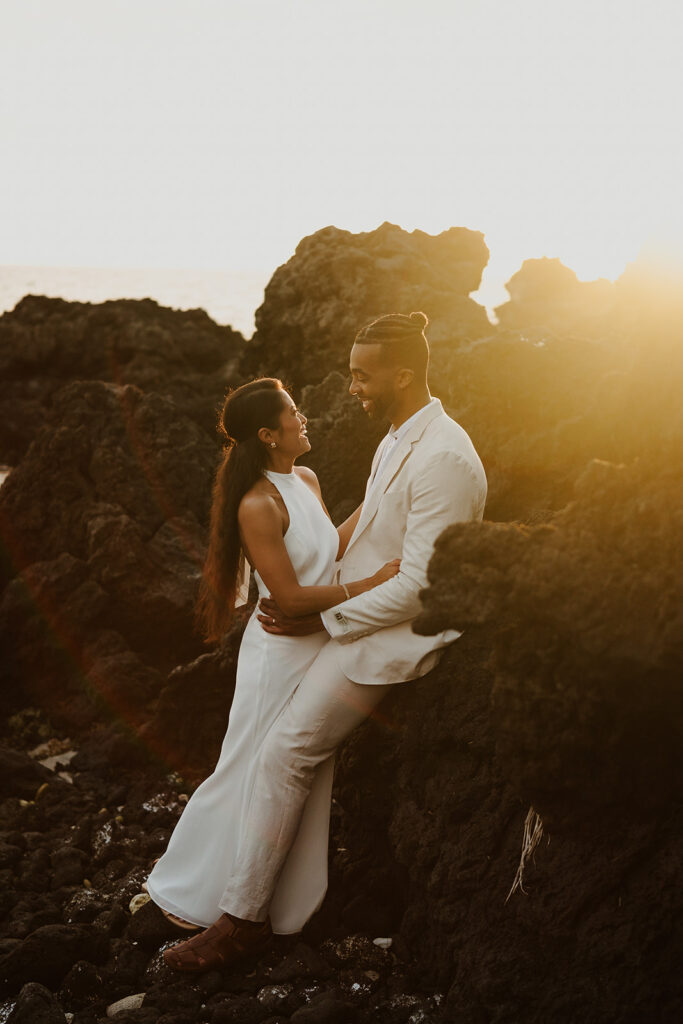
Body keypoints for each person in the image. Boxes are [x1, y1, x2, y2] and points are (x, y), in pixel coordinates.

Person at [160, 311, 487, 972]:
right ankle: (262, 902)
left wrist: (323, 617)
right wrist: (324, 596)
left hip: (390, 636)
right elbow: (366, 520)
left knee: (283, 753)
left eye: (362, 376)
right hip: (354, 618)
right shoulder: (400, 435)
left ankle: (244, 922)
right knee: (276, 753)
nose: (351, 390)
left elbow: (422, 587)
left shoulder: (445, 455)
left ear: (402, 372)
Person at [145, 377, 399, 945]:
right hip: (278, 653)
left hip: (320, 638)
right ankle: (195, 892)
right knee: (251, 765)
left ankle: (282, 895)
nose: (303, 417)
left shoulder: (303, 479)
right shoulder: (256, 504)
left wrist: (379, 500)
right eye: (292, 412)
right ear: (268, 434)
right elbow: (286, 598)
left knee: (299, 769)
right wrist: (371, 584)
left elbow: (325, 549)